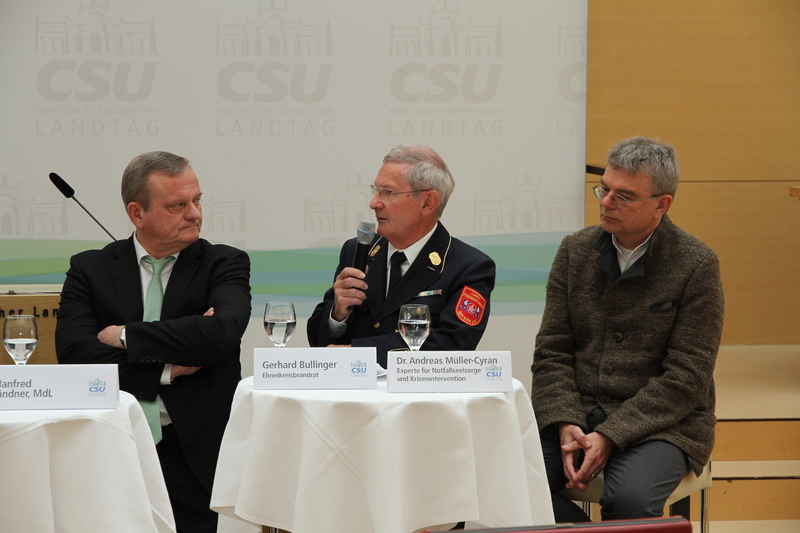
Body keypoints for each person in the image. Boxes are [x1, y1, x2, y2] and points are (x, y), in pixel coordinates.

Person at [56, 151, 251, 533]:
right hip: (109, 444)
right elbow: (77, 355)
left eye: (196, 201)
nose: (194, 214)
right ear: (137, 213)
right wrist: (167, 368)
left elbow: (222, 332)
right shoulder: (90, 269)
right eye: (178, 205)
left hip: (194, 453)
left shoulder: (223, 263)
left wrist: (126, 336)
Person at [531, 137, 724, 522]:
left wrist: (611, 434)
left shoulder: (696, 264)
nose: (605, 203)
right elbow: (551, 352)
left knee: (630, 501)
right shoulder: (575, 250)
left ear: (661, 205)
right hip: (579, 410)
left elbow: (688, 377)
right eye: (604, 189)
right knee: (507, 482)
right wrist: (566, 420)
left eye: (624, 196)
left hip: (664, 424)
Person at [307, 144, 496, 368]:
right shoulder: (357, 251)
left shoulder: (469, 267)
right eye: (375, 190)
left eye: (388, 192)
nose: (374, 203)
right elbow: (320, 345)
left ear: (427, 202)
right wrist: (338, 314)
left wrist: (358, 353)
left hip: (420, 400)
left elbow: (452, 346)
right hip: (354, 399)